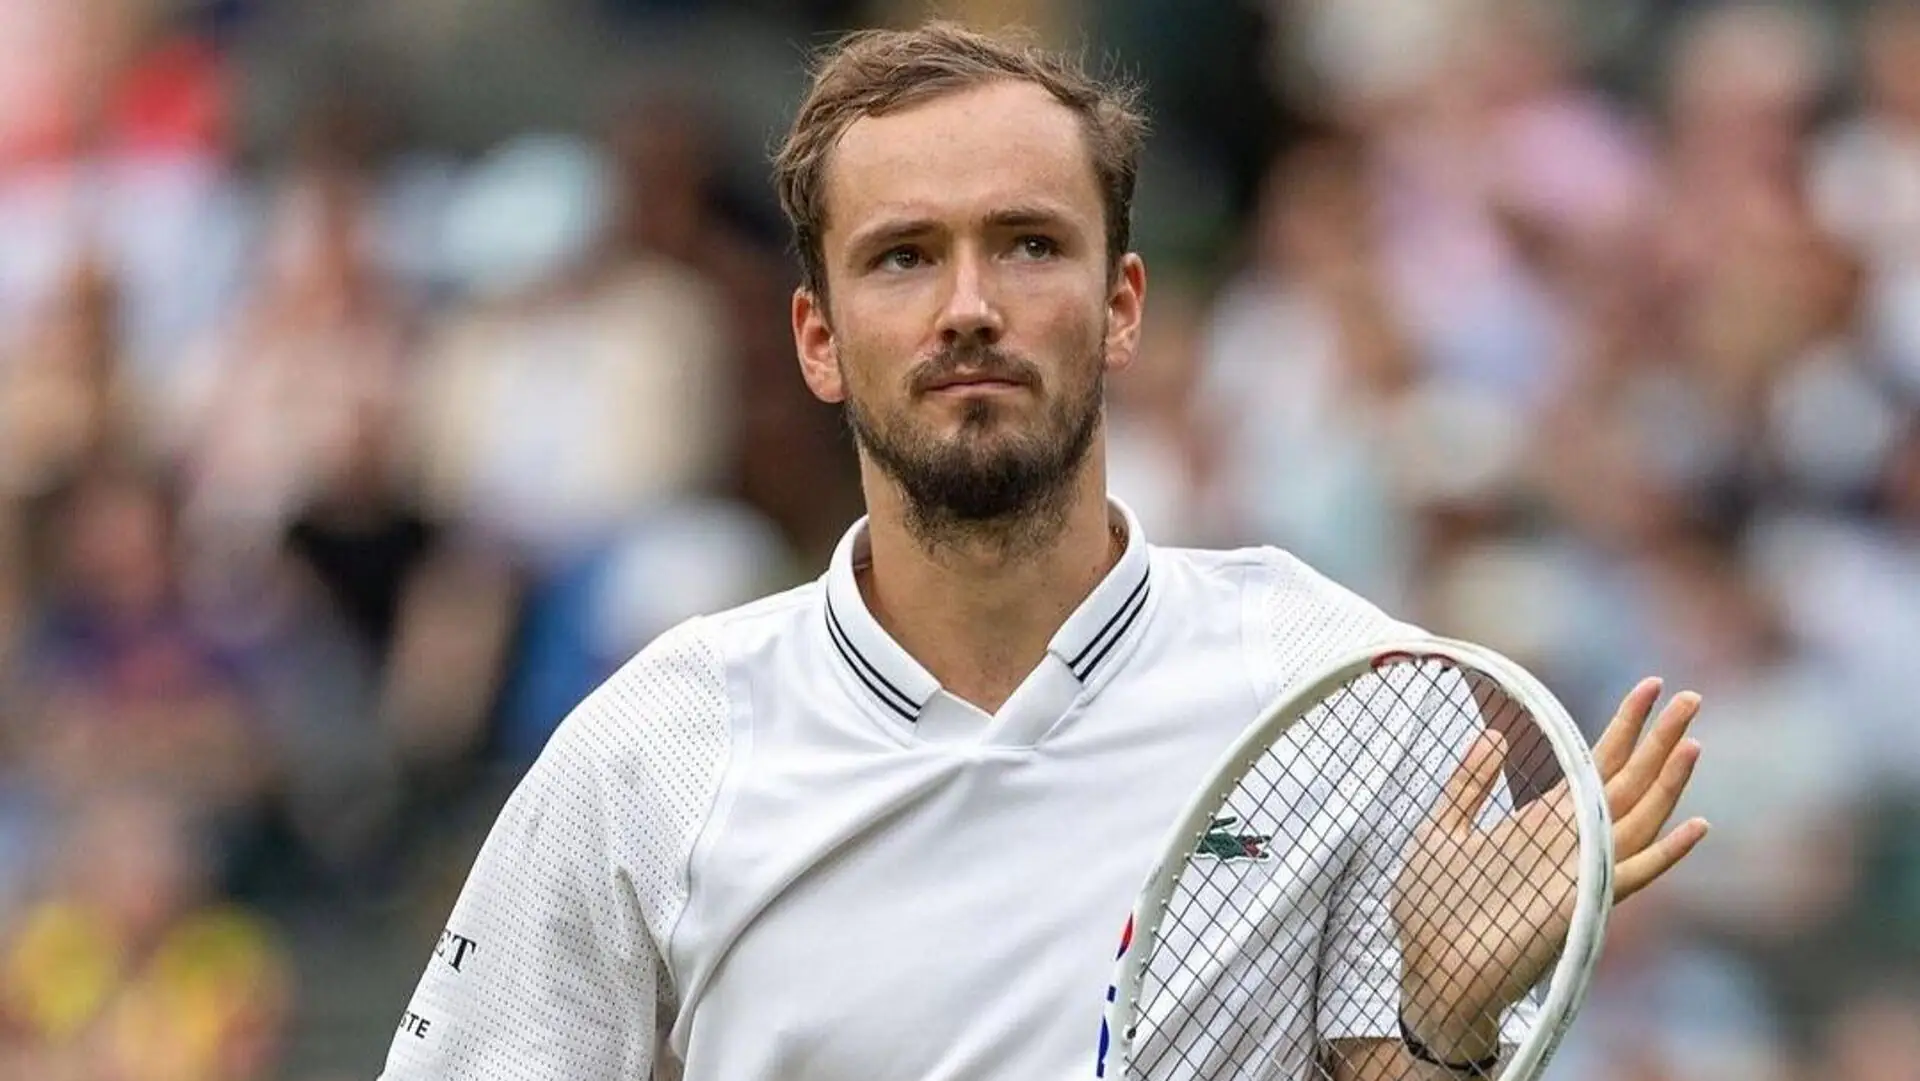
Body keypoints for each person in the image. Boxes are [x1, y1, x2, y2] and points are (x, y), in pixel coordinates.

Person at [378, 21, 1707, 1080]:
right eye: (904, 257)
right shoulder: (653, 745)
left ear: (1122, 306)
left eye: (1027, 244)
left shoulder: (1345, 687)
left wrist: (1440, 1027)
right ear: (818, 340)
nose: (970, 307)